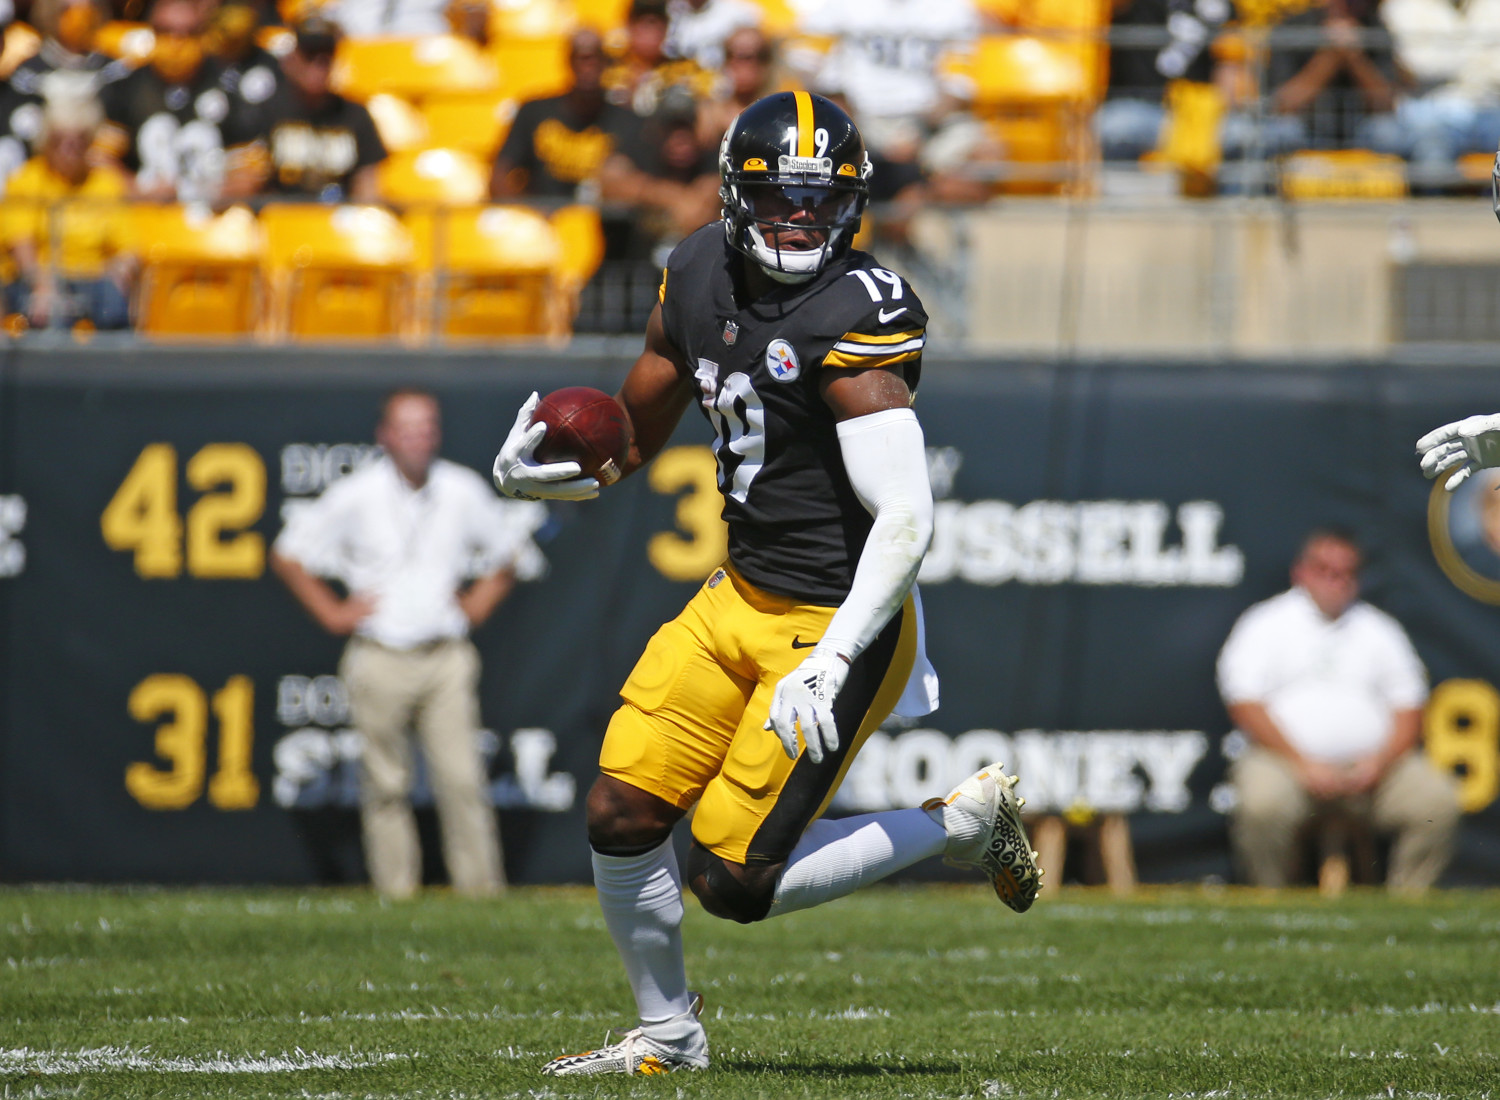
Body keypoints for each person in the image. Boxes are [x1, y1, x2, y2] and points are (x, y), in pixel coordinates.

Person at [492, 91, 1041, 1076]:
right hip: (738, 595)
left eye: (818, 202)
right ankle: (667, 1034)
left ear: (854, 204)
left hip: (840, 618)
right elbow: (652, 390)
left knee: (735, 880)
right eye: (778, 199)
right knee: (620, 812)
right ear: (734, 196)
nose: (799, 220)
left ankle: (959, 820)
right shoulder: (699, 266)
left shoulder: (856, 309)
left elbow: (907, 516)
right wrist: (581, 468)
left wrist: (833, 659)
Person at [270, 389, 522, 900]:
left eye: (427, 425)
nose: (418, 436)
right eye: (407, 426)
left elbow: (506, 555)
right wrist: (334, 613)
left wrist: (473, 608)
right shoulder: (357, 493)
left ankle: (482, 894)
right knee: (385, 783)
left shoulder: (460, 488)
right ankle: (395, 892)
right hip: (379, 652)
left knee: (462, 780)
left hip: (444, 655)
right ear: (384, 435)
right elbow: (288, 554)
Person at [1216, 528, 1460, 893]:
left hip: (1372, 773)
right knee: (1261, 803)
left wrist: (1380, 762)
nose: (1337, 580)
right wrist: (1302, 763)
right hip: (1287, 765)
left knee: (1437, 800)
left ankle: (1409, 906)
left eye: (1347, 572)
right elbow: (1244, 701)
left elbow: (1409, 705)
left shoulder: (1379, 629)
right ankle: (1269, 901)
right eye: (1325, 569)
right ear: (1301, 572)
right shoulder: (1265, 623)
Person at [94, 0, 263, 201]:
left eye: (189, 33)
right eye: (166, 32)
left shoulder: (230, 89)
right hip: (140, 215)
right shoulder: (125, 87)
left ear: (204, 36)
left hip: (213, 220)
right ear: (152, 34)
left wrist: (206, 194)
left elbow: (251, 172)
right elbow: (100, 161)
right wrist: (139, 192)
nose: (176, 44)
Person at [1, 73, 133, 329]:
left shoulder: (105, 183)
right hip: (38, 281)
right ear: (46, 141)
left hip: (93, 280)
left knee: (114, 303)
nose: (69, 150)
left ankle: (118, 367)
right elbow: (21, 244)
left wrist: (122, 268)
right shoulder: (26, 180)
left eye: (78, 142)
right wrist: (41, 283)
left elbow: (128, 247)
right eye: (60, 141)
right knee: (53, 309)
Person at [229, 14, 386, 203]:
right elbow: (241, 186)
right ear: (291, 59)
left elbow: (368, 187)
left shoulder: (355, 115)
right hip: (279, 219)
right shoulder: (264, 112)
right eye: (309, 53)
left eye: (327, 54)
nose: (319, 63)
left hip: (338, 221)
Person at [489, 28, 650, 201]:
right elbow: (500, 174)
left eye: (594, 59)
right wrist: (527, 213)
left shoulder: (629, 122)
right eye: (581, 59)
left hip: (602, 222)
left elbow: (644, 183)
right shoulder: (534, 112)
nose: (588, 67)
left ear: (605, 64)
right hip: (544, 219)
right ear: (568, 63)